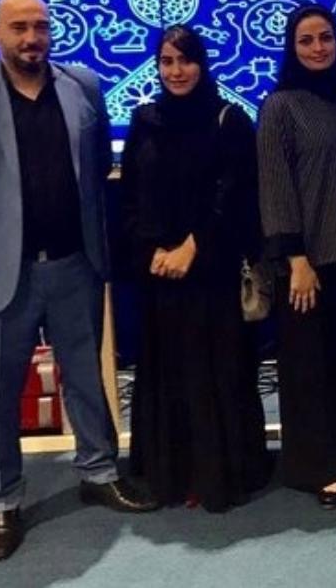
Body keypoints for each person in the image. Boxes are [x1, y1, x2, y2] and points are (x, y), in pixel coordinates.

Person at [0, 0, 157, 562]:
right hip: (0, 275)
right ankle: (1, 501)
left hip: (75, 264)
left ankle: (98, 472)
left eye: (40, 27)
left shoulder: (83, 87)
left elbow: (95, 167)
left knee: (86, 378)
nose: (31, 38)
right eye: (19, 27)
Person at [121, 25, 272, 512]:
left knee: (217, 372)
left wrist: (193, 247)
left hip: (213, 276)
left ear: (202, 64)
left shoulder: (230, 120)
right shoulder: (145, 121)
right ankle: (175, 474)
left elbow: (236, 194)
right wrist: (151, 251)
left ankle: (217, 475)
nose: (176, 71)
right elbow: (130, 195)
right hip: (160, 276)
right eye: (166, 61)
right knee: (169, 375)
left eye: (185, 60)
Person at [256, 3, 336, 509]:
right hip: (307, 264)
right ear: (292, 47)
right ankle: (318, 466)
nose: (318, 47)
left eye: (325, 37)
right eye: (306, 40)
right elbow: (275, 186)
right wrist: (296, 259)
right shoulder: (280, 106)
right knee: (310, 366)